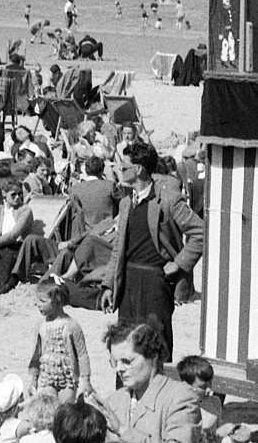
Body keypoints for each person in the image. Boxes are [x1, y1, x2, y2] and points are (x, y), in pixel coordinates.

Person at [101, 141, 204, 361]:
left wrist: (179, 263)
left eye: (124, 167)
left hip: (156, 283)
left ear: (139, 169)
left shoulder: (168, 200)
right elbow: (118, 248)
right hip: (128, 283)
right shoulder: (126, 203)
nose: (120, 171)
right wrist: (109, 284)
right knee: (126, 344)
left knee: (156, 345)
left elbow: (200, 232)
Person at [22, 277, 93, 403]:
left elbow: (82, 354)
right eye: (37, 300)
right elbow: (36, 354)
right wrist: (34, 380)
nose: (38, 304)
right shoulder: (40, 326)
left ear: (57, 301)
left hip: (68, 380)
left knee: (66, 409)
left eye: (43, 301)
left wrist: (86, 381)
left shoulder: (72, 326)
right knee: (48, 408)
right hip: (47, 378)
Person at [68, 155, 121, 230]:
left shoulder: (75, 189)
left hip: (87, 233)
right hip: (109, 231)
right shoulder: (110, 185)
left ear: (86, 171)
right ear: (102, 170)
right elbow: (123, 204)